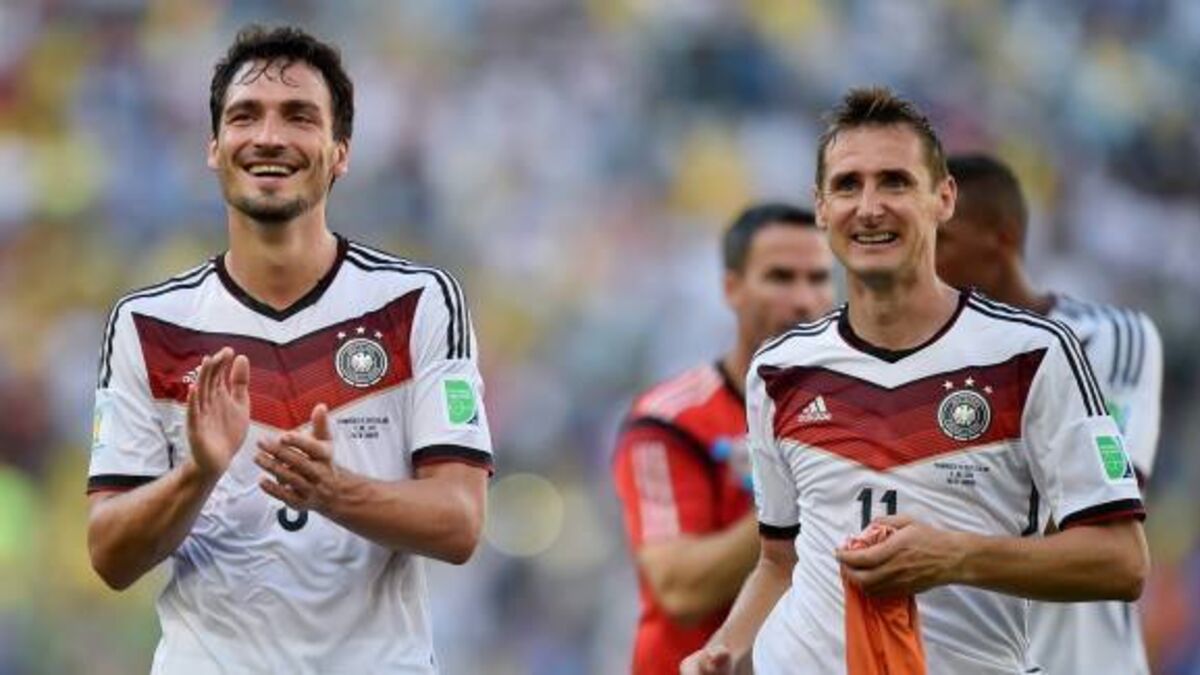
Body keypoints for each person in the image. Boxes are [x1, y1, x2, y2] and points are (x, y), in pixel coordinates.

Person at [682, 87, 1149, 675]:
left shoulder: (1033, 353)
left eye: (895, 182)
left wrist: (955, 556)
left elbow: (1121, 562)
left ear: (943, 198)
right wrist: (725, 648)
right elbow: (779, 560)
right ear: (821, 207)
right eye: (848, 185)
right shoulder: (779, 370)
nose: (869, 207)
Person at [86, 25, 492, 674]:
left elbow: (460, 522)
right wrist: (196, 474)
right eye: (245, 115)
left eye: (299, 116)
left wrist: (332, 490)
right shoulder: (149, 323)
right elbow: (109, 555)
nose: (269, 136)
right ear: (215, 148)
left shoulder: (417, 302)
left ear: (339, 152)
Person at [937, 152, 1163, 675]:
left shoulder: (1106, 338)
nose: (924, 260)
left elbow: (1094, 510)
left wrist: (940, 526)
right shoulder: (921, 365)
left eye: (941, 240)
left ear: (1003, 238)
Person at [612, 203, 835, 675]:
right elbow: (680, 590)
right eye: (780, 278)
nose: (803, 300)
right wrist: (808, 488)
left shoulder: (866, 409)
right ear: (732, 288)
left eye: (818, 278)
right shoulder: (670, 420)